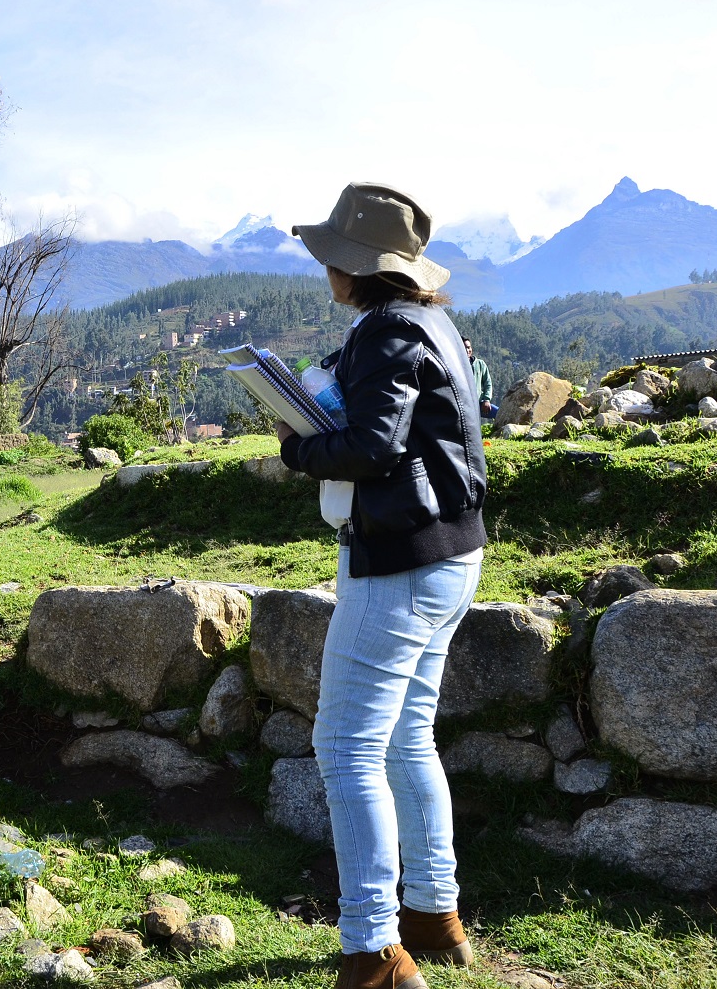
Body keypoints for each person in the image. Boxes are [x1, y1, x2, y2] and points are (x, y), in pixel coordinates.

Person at [278, 183, 487, 989]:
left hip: (402, 558)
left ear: (356, 265)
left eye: (332, 254)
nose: (325, 267)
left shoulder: (388, 330)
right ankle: (434, 913)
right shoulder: (431, 322)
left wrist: (296, 447)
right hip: (453, 553)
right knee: (406, 738)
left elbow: (373, 447)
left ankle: (373, 950)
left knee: (345, 746)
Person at [462, 338, 496, 419]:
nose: (467, 350)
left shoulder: (480, 364)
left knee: (499, 414)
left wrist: (486, 400)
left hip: (479, 404)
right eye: (464, 348)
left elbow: (488, 383)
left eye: (468, 347)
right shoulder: (456, 365)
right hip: (463, 406)